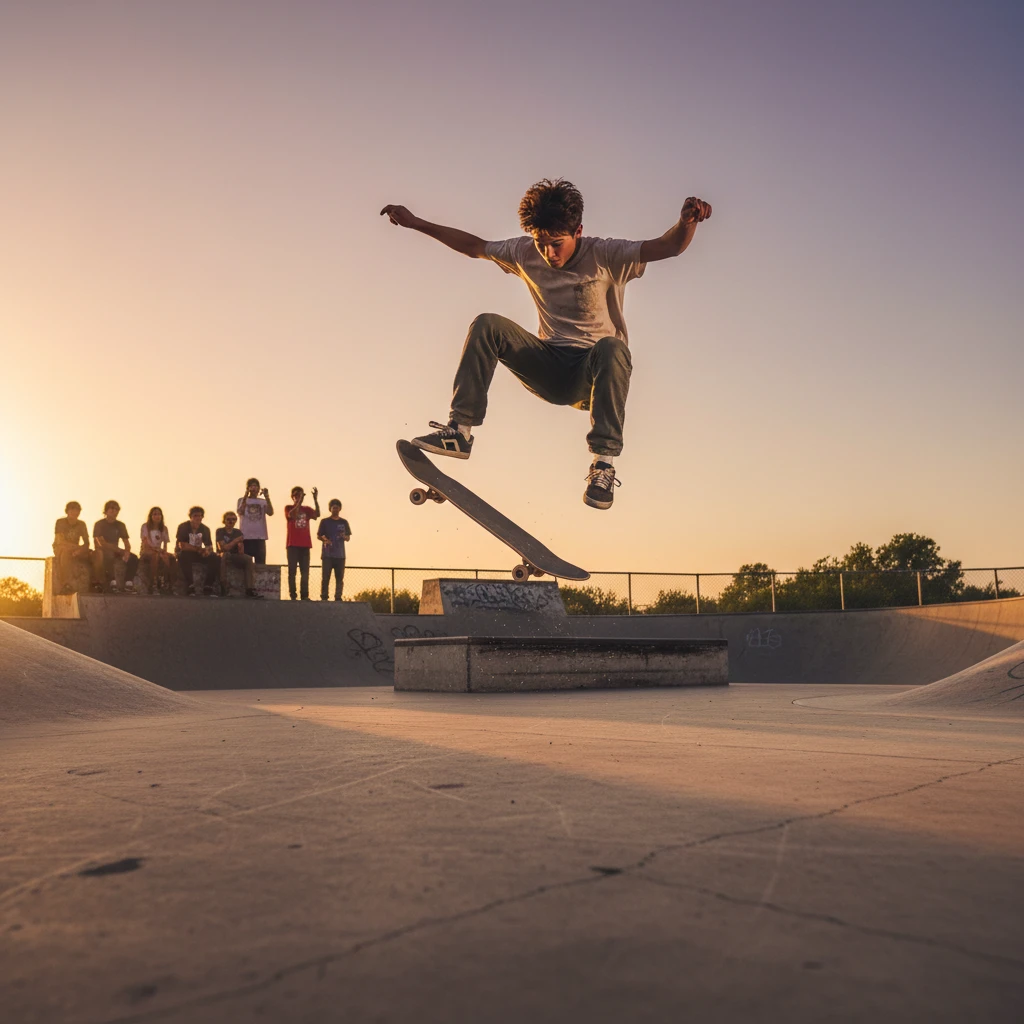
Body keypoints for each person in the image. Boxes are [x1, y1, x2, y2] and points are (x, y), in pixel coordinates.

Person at [381, 179, 712, 509]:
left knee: (613, 347)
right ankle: (460, 433)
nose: (549, 253)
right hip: (547, 366)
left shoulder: (606, 254)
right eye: (541, 242)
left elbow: (666, 247)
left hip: (591, 377)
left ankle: (603, 466)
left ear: (578, 231)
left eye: (557, 243)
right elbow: (475, 247)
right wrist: (417, 223)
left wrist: (686, 224)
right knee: (487, 325)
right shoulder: (524, 252)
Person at [93, 500, 140, 593]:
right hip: (103, 550)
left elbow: (126, 543)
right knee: (109, 555)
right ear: (106, 511)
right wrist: (116, 549)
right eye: (112, 509)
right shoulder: (99, 524)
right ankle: (112, 581)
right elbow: (100, 542)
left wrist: (126, 552)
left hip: (116, 550)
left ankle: (128, 582)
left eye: (116, 509)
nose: (114, 511)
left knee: (134, 558)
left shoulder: (120, 525)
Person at [216, 511, 263, 599]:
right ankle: (223, 586)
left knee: (248, 559)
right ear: (224, 521)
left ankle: (250, 588)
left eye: (233, 519)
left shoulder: (238, 532)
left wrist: (240, 545)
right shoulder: (220, 531)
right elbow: (223, 548)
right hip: (222, 555)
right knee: (225, 555)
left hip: (235, 555)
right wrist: (235, 541)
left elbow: (241, 551)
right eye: (229, 519)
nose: (231, 522)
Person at [175, 506, 220, 597]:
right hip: (185, 552)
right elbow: (182, 545)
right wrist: (198, 549)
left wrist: (206, 551)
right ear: (191, 517)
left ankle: (208, 585)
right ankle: (190, 585)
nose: (198, 518)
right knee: (184, 557)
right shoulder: (183, 527)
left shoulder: (205, 529)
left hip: (198, 552)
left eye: (200, 516)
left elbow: (209, 546)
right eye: (195, 516)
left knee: (215, 558)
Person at [284, 486, 319, 601]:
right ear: (292, 497)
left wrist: (315, 499)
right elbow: (292, 515)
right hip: (292, 545)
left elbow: (317, 515)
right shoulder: (288, 508)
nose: (298, 497)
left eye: (300, 495)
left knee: (305, 572)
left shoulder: (307, 510)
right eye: (296, 495)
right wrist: (299, 502)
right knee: (292, 571)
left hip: (305, 545)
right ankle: (293, 595)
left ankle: (304, 595)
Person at [52, 501, 94, 594]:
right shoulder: (60, 522)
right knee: (66, 553)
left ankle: (94, 584)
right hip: (60, 547)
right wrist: (77, 548)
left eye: (77, 510)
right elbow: (60, 541)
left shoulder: (82, 524)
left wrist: (80, 550)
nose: (75, 512)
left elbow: (87, 543)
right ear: (67, 511)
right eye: (72, 510)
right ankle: (65, 584)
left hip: (76, 549)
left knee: (92, 554)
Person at [317, 499, 351, 601]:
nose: (335, 509)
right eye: (333, 507)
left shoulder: (344, 522)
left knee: (339, 578)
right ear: (330, 509)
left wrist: (344, 536)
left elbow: (348, 538)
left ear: (340, 509)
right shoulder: (325, 521)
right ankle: (324, 596)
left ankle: (338, 596)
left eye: (337, 507)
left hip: (340, 555)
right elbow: (319, 535)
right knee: (325, 577)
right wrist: (325, 539)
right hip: (327, 554)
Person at [236, 478, 274, 564]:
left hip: (260, 537)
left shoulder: (263, 501)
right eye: (251, 486)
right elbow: (240, 511)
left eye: (255, 486)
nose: (253, 488)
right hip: (245, 537)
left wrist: (267, 497)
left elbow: (270, 512)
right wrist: (246, 495)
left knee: (260, 564)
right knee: (245, 564)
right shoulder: (241, 500)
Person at [139, 507, 176, 595]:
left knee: (171, 558)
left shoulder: (164, 528)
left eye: (159, 514)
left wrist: (164, 552)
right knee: (154, 556)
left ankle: (168, 583)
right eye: (155, 514)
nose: (157, 516)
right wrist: (157, 550)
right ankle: (153, 583)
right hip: (147, 550)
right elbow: (145, 542)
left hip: (159, 550)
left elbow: (165, 543)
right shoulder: (145, 526)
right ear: (151, 516)